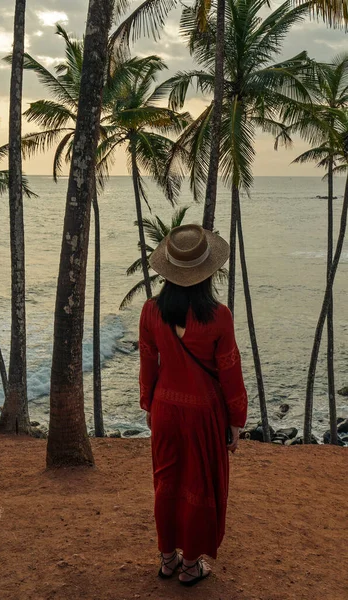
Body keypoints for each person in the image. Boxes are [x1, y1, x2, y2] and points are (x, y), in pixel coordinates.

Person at [139, 224, 248, 587]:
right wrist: (236, 421)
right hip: (203, 413)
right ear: (208, 272)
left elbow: (147, 364)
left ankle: (167, 559)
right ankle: (190, 566)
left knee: (165, 482)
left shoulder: (151, 311)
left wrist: (150, 406)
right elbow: (230, 371)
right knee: (200, 486)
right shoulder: (219, 316)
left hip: (165, 409)